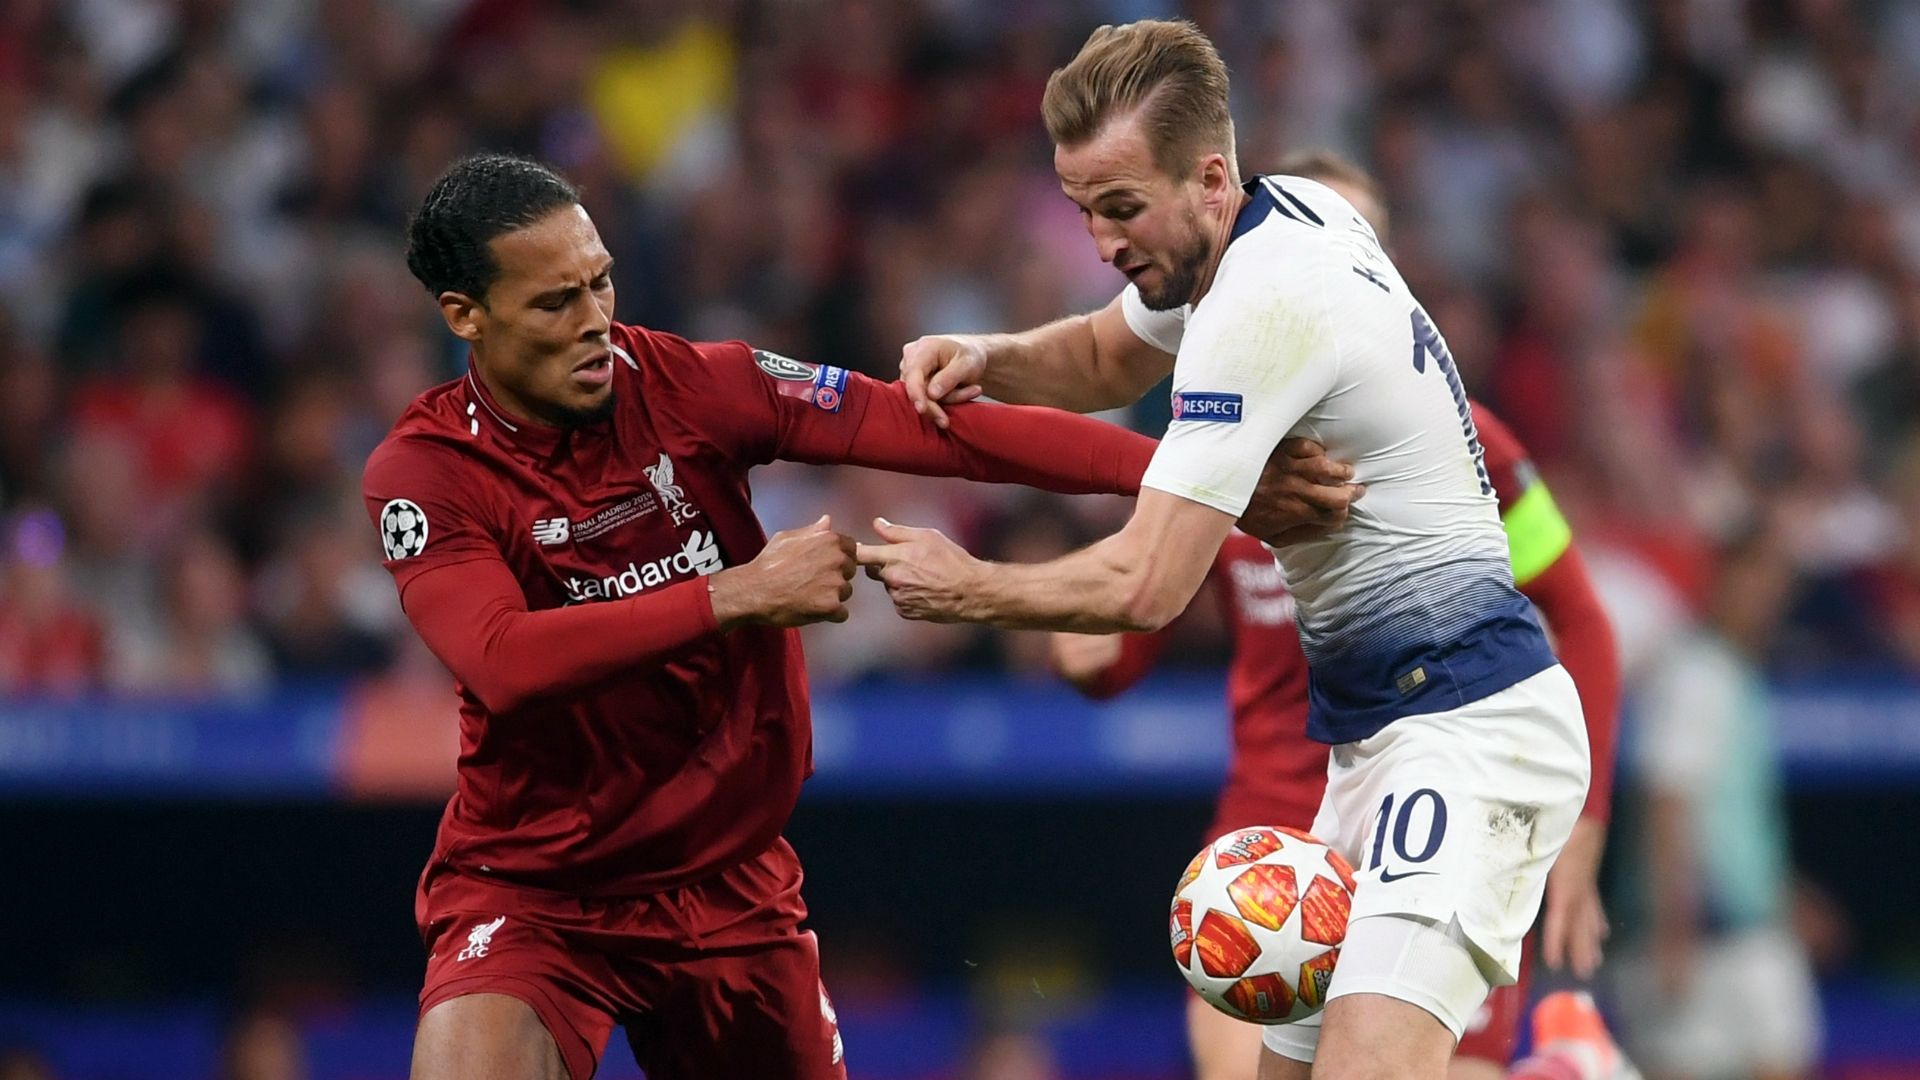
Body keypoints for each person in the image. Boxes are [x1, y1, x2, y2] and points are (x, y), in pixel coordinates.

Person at [365, 153, 1359, 1080]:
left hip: (727, 882)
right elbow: (502, 659)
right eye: (555, 301)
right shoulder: (425, 474)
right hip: (536, 889)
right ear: (466, 315)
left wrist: (1207, 478)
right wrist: (736, 594)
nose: (595, 321)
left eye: (601, 284)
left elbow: (945, 436)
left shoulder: (689, 386)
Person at [865, 21, 1590, 1080]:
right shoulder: (1289, 212)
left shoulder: (1257, 309)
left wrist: (968, 587)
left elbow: (1146, 583)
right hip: (1374, 748)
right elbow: (1106, 353)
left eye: (1122, 209)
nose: (1101, 242)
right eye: (1082, 210)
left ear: (1210, 179)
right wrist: (986, 354)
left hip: (1470, 733)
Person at [1046, 151, 1625, 1080]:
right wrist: (1075, 584)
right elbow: (1104, 660)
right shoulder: (1221, 437)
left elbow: (1582, 620)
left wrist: (1582, 837)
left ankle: (1562, 1066)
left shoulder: (1460, 441)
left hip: (1441, 791)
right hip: (1278, 837)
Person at [1613, 520, 1820, 1080]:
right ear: (1723, 577)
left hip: (1750, 934)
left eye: (1777, 583)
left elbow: (1733, 821)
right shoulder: (1693, 674)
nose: (1767, 597)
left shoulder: (1734, 673)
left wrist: (1781, 895)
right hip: (1698, 940)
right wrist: (1672, 931)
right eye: (1755, 577)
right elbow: (1666, 803)